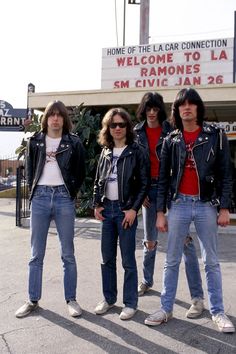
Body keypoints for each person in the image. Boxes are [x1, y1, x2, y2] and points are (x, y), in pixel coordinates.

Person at [144, 88, 235, 333]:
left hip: (206, 204)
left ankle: (217, 312)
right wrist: (161, 212)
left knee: (211, 262)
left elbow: (227, 173)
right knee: (171, 260)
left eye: (191, 103)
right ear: (176, 110)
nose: (187, 107)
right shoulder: (171, 140)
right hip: (179, 204)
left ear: (198, 108)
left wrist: (225, 207)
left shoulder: (215, 135)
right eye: (182, 104)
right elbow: (163, 179)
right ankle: (166, 308)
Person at [135, 92, 204, 319]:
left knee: (185, 242)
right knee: (150, 241)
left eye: (155, 108)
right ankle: (146, 280)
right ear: (143, 110)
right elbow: (135, 166)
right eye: (148, 108)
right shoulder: (137, 132)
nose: (152, 112)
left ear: (161, 110)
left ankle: (197, 297)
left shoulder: (170, 131)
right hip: (148, 190)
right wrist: (141, 191)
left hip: (171, 190)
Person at [15, 100, 85, 318]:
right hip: (41, 198)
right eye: (51, 115)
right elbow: (29, 170)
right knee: (36, 254)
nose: (55, 118)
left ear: (64, 119)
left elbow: (80, 172)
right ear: (46, 118)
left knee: (68, 254)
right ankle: (32, 299)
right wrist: (36, 193)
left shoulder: (73, 142)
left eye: (59, 115)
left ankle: (71, 299)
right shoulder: (35, 141)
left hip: (64, 197)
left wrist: (71, 193)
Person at [93, 107, 149, 320]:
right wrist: (97, 204)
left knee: (127, 260)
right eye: (113, 124)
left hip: (126, 211)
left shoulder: (137, 151)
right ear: (108, 128)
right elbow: (99, 180)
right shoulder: (105, 152)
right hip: (108, 210)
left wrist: (134, 209)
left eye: (121, 124)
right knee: (106, 258)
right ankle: (108, 299)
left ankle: (130, 303)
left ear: (127, 126)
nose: (117, 128)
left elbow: (144, 183)